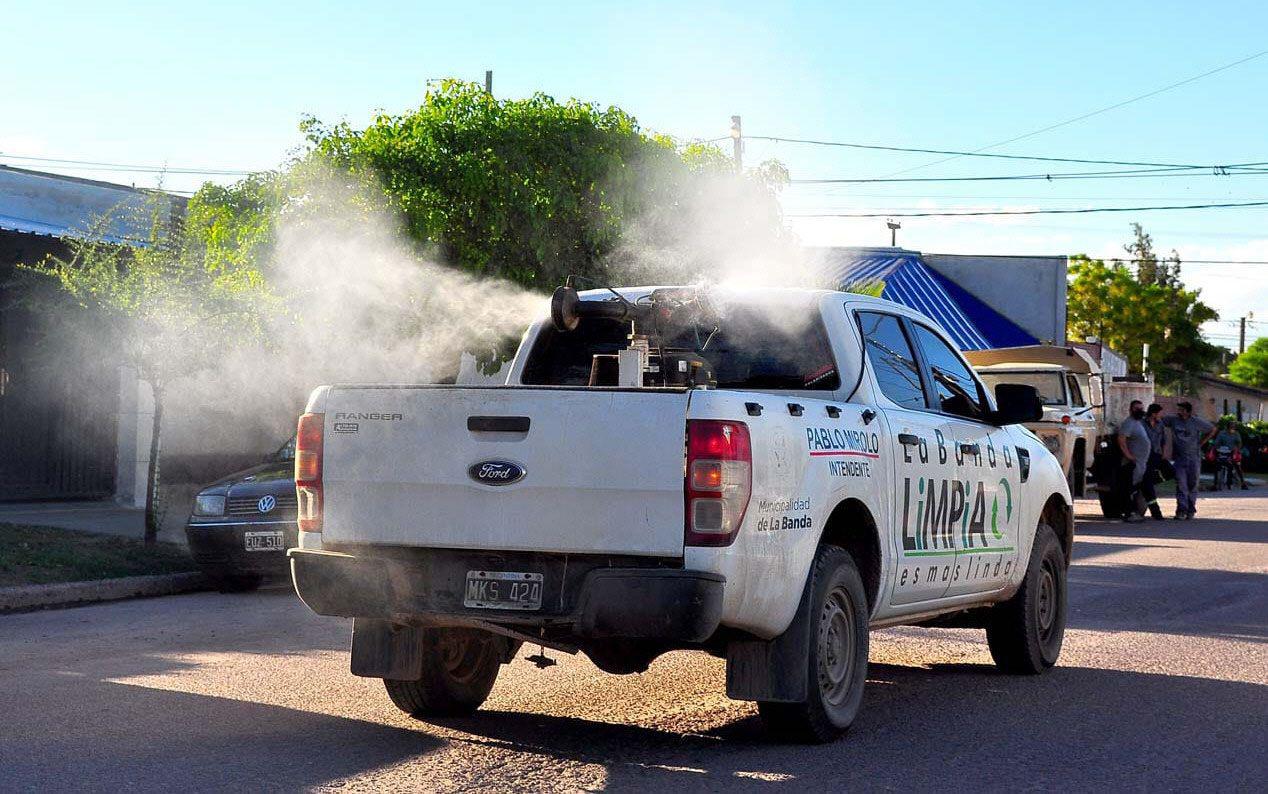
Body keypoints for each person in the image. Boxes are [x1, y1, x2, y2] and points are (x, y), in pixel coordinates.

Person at [1165, 401, 1216, 519]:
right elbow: (1158, 420)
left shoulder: (1196, 421)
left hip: (1194, 457)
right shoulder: (1173, 420)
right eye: (1179, 410)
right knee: (1181, 484)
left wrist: (1202, 442)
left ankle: (1190, 508)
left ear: (1188, 412)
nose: (1180, 412)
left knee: (1192, 484)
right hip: (1179, 457)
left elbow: (1212, 429)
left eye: (1182, 410)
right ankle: (1181, 509)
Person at [1116, 400, 1151, 522]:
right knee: (1129, 489)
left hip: (1140, 463)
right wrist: (1129, 456)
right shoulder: (1129, 423)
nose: (1140, 411)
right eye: (1137, 408)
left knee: (1135, 488)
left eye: (1141, 408)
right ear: (1131, 410)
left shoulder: (1138, 423)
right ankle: (1129, 513)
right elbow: (1121, 440)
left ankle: (1133, 512)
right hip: (1131, 463)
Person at [1140, 403, 1172, 519]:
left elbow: (1163, 440)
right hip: (1145, 455)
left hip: (1157, 455)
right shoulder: (1142, 424)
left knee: (1171, 471)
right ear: (1153, 414)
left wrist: (1163, 454)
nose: (1161, 416)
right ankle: (1156, 512)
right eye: (1160, 413)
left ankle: (1147, 482)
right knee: (1147, 483)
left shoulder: (1160, 424)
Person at [1211, 420, 1249, 490]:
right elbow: (1216, 442)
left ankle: (1243, 483)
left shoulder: (1236, 434)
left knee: (1237, 465)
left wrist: (1237, 449)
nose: (1232, 429)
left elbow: (1239, 443)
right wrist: (1216, 447)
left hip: (1233, 452)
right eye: (1231, 427)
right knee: (1217, 466)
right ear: (1227, 427)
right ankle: (1215, 484)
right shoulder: (1222, 433)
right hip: (1223, 452)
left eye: (1233, 427)